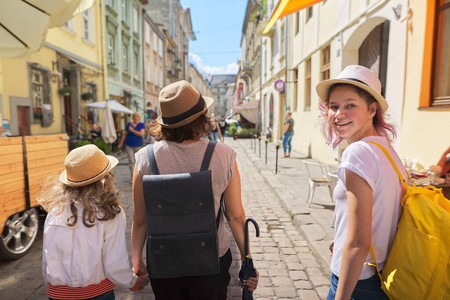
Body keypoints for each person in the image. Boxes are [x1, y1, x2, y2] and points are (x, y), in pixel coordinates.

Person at [131, 80, 258, 300]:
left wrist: (136, 260)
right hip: (212, 258)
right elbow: (236, 217)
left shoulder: (144, 158)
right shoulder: (224, 154)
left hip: (164, 257)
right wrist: (247, 260)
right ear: (202, 117)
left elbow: (140, 220)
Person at [316, 65, 407, 300]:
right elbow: (381, 211)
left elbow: (358, 243)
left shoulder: (358, 152)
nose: (339, 114)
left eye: (350, 105)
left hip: (358, 280)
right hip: (382, 274)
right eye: (334, 106)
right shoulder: (384, 148)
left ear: (372, 109)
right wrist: (341, 235)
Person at [37, 144, 149, 300]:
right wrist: (134, 282)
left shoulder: (55, 211)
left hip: (57, 294)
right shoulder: (110, 212)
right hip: (97, 293)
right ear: (106, 178)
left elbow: (47, 258)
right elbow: (114, 264)